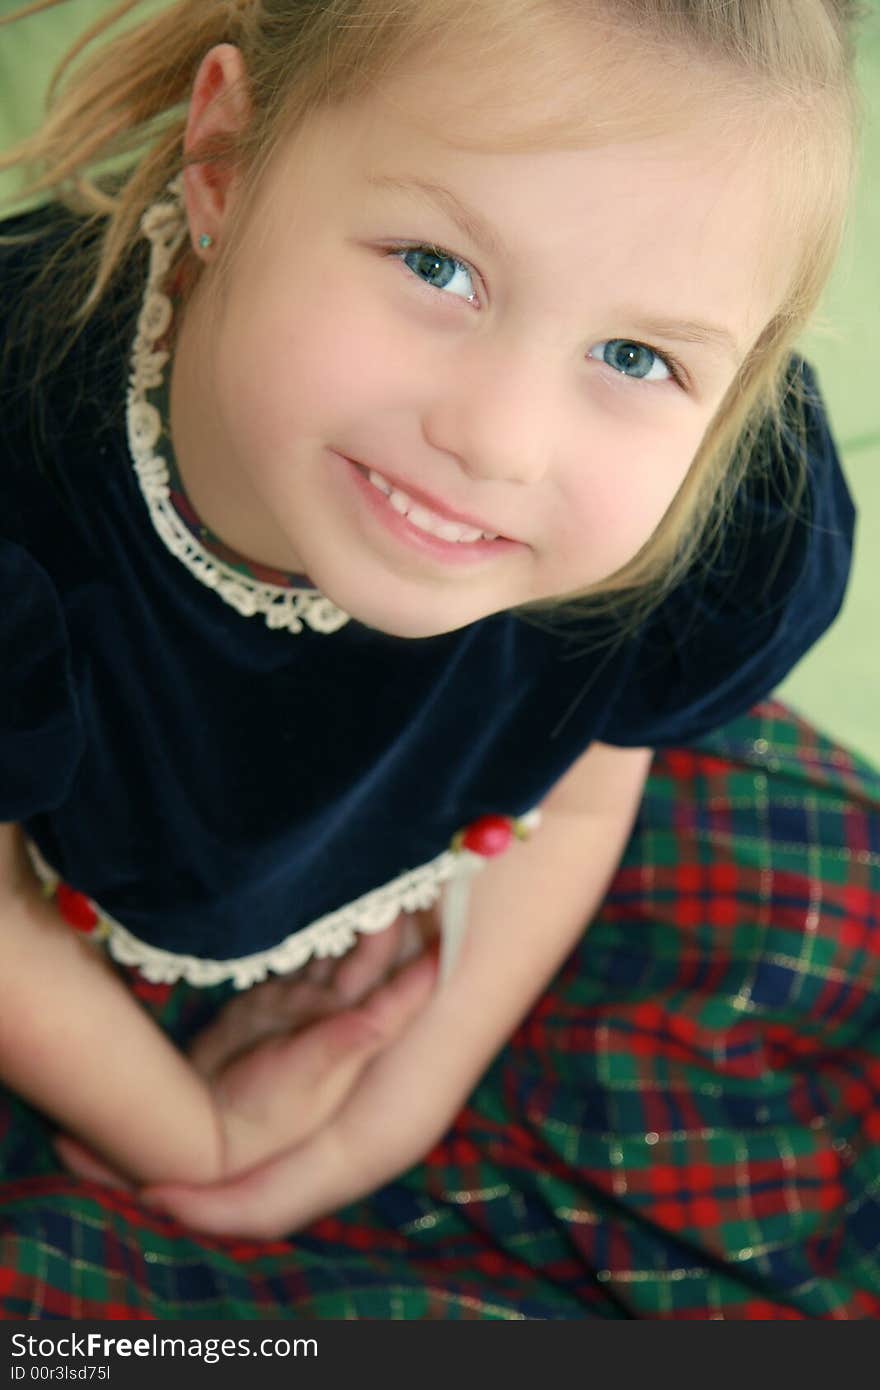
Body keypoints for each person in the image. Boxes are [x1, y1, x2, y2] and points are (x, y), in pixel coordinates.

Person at [0, 0, 862, 1247]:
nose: (499, 442)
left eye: (632, 357)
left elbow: (571, 781)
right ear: (224, 159)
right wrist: (198, 1138)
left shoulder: (708, 509)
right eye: (435, 267)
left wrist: (390, 1105)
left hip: (482, 914)